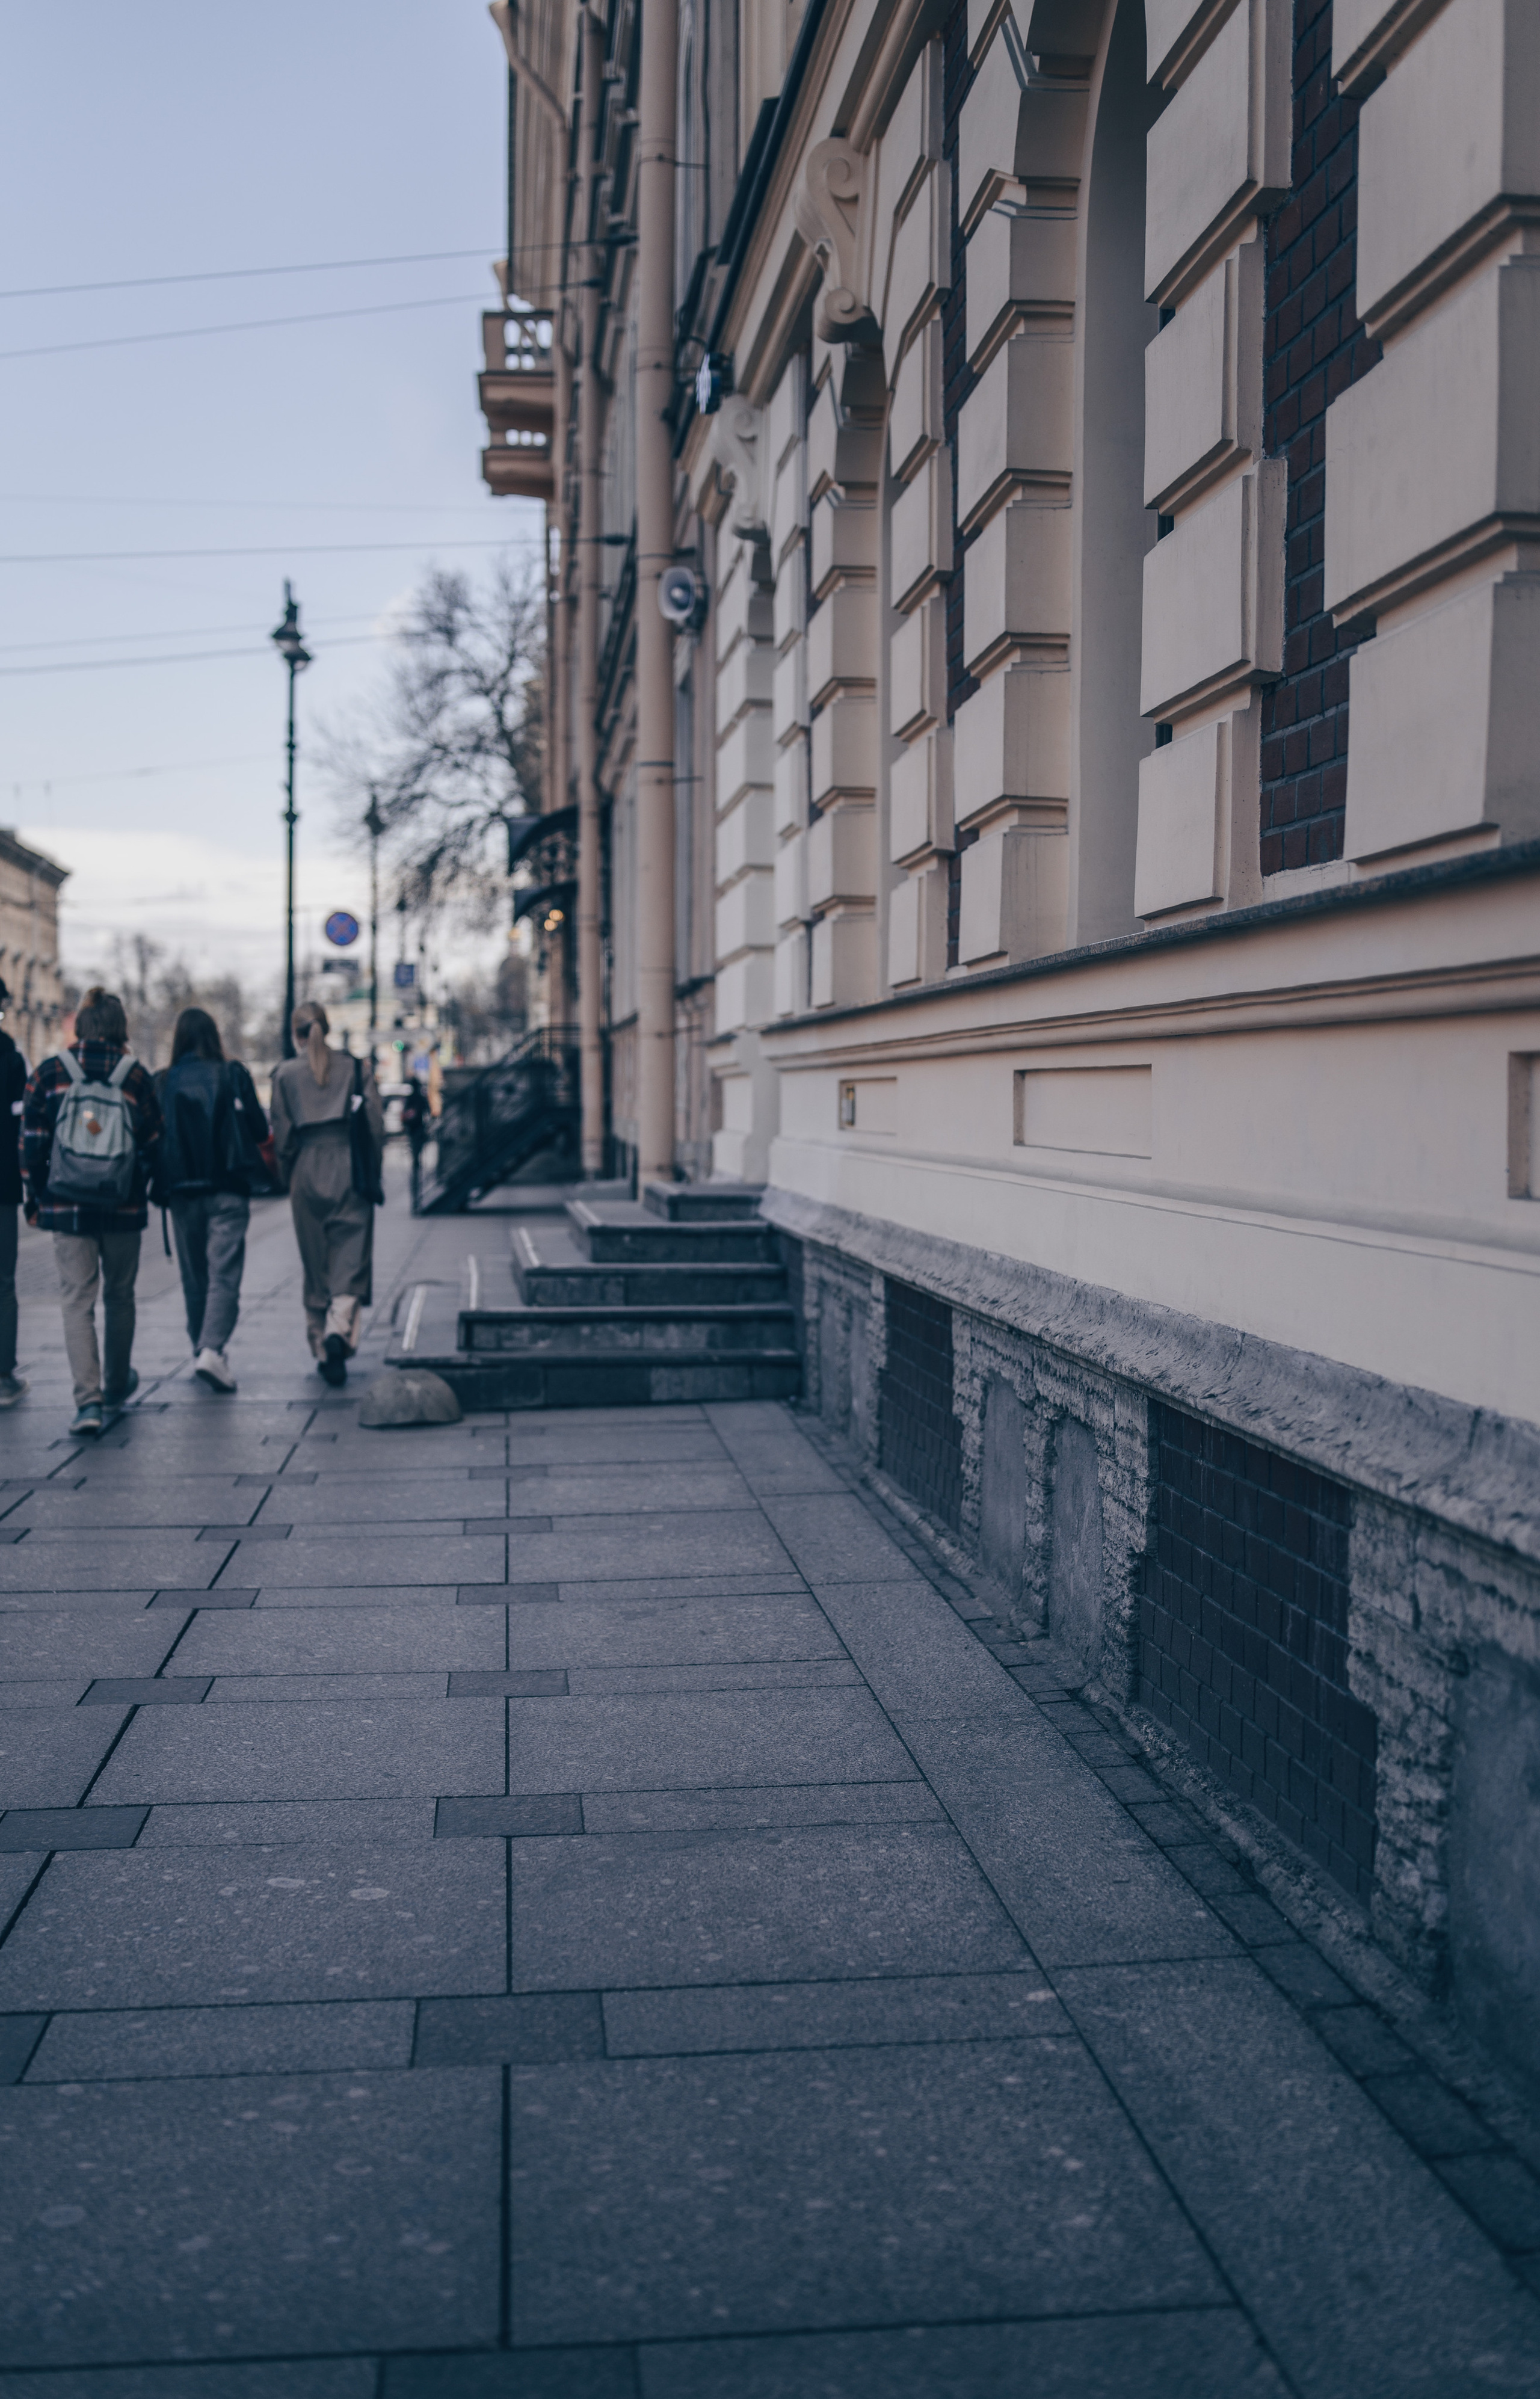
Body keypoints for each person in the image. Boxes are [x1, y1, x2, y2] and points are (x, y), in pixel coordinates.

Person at [20, 985, 162, 1438]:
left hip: (68, 1204)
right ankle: (118, 1383)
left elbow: (32, 1147)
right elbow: (155, 1144)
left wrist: (37, 1197)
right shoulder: (136, 1076)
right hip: (122, 1205)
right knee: (120, 1297)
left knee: (77, 1301)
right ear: (120, 1026)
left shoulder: (48, 1074)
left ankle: (89, 1402)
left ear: (79, 1024)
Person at [154, 1005, 270, 1395]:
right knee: (224, 1274)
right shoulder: (233, 1075)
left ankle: (202, 1350)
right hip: (228, 1187)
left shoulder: (163, 1081)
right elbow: (258, 1128)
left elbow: (154, 1138)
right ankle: (211, 1350)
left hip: (181, 1192)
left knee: (194, 1277)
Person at [269, 1003, 384, 1385]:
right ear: (328, 1029)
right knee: (350, 1258)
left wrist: (289, 1174)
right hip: (348, 1165)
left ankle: (321, 1345)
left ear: (295, 1034)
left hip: (305, 1167)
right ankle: (338, 1329)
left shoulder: (284, 1074)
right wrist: (374, 1171)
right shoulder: (355, 1068)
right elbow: (374, 1124)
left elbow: (281, 1134)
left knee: (315, 1263)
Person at [0, 978, 28, 1409]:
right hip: (2, 1183)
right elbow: (21, 1125)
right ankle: (3, 1376)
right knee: (3, 1281)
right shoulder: (10, 1058)